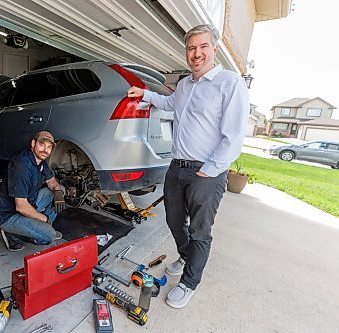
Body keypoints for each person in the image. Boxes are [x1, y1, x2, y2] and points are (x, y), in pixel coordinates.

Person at [127, 24, 249, 308]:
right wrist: (143, 93)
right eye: (191, 48)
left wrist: (210, 168)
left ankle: (189, 281)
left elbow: (234, 135)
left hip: (206, 172)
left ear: (214, 49)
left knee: (200, 230)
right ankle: (187, 256)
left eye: (203, 47)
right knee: (173, 220)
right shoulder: (184, 85)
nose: (197, 53)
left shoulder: (229, 83)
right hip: (176, 168)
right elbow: (168, 102)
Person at [0, 131, 66, 251]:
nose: (45, 150)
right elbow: (21, 207)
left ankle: (41, 227)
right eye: (42, 145)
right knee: (48, 236)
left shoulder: (40, 161)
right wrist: (46, 220)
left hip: (30, 204)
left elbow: (51, 181)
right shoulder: (21, 166)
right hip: (10, 216)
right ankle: (13, 234)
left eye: (49, 147)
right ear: (33, 143)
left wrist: (58, 191)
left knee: (60, 190)